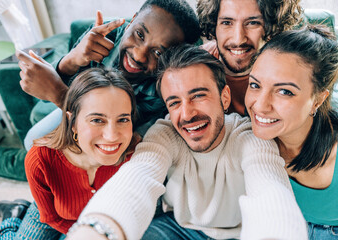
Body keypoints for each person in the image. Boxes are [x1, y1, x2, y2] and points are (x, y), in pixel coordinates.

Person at [66, 45, 307, 240]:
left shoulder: (249, 137)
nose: (187, 114)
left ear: (224, 98)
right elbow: (138, 177)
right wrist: (95, 231)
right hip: (178, 228)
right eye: (174, 103)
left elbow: (270, 193)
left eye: (198, 96)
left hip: (239, 233)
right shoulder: (165, 133)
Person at [0, 0, 200, 181]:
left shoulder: (167, 86)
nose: (139, 54)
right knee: (32, 141)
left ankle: (16, 165)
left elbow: (123, 143)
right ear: (132, 20)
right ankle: (24, 162)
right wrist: (69, 62)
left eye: (158, 53)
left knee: (63, 165)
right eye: (139, 34)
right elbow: (74, 85)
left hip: (113, 134)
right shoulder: (106, 35)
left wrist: (58, 93)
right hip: (77, 111)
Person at [0, 67, 140, 239]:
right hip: (54, 215)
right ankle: (12, 215)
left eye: (123, 119)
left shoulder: (137, 155)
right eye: (97, 120)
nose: (111, 135)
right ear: (73, 122)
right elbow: (50, 217)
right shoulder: (40, 158)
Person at [245, 25, 338, 239]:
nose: (260, 105)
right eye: (255, 85)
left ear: (317, 100)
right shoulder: (247, 138)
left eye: (284, 91)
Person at [196, 0, 302, 115]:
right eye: (227, 23)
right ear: (214, 25)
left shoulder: (291, 69)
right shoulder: (194, 67)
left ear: (273, 27)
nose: (238, 39)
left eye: (253, 23)